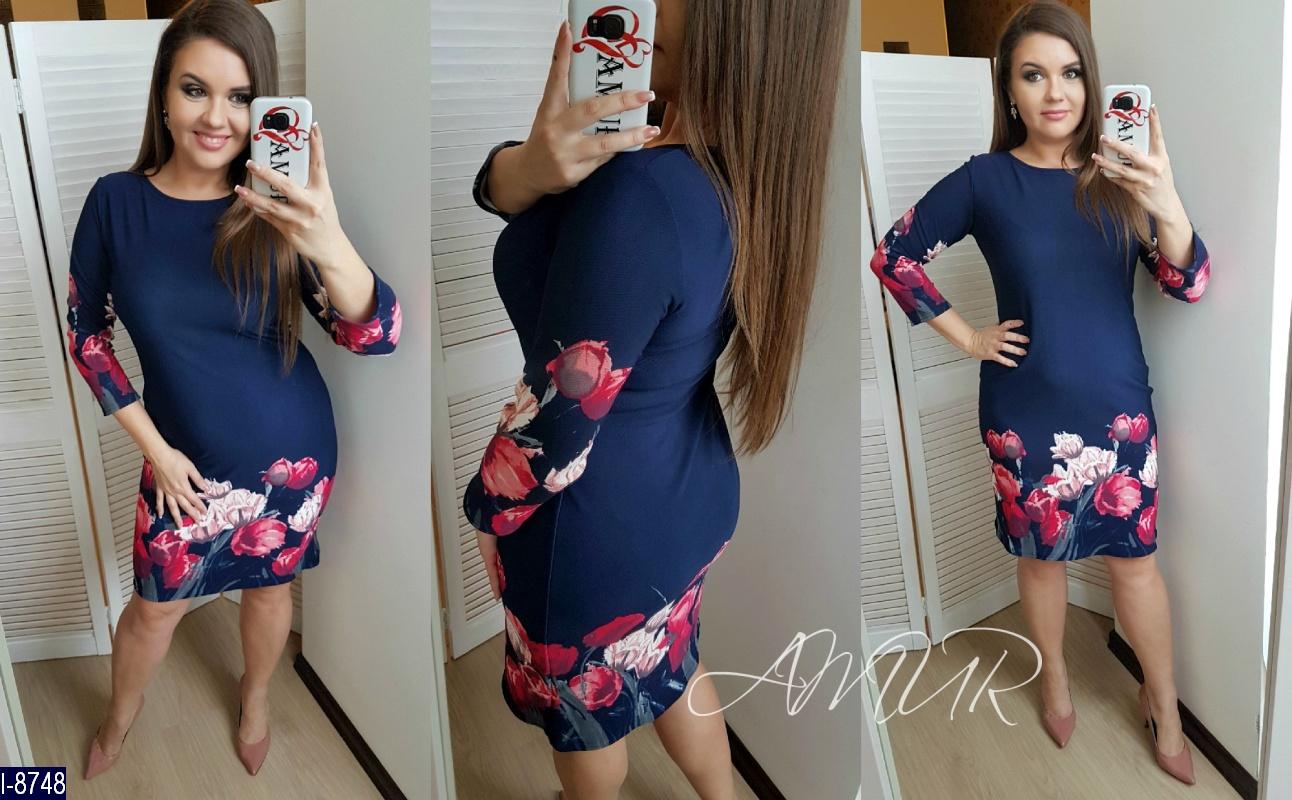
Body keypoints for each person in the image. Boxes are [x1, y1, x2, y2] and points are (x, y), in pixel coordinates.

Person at [461, 1, 847, 797]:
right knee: (667, 663)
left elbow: (557, 430)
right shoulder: (742, 170)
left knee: (588, 717)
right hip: (687, 492)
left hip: (589, 525)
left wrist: (486, 513)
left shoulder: (642, 193)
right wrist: (528, 167)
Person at [868, 0, 1209, 786]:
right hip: (1024, 414)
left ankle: (1163, 704)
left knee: (1136, 566)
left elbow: (1186, 282)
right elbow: (895, 255)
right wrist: (968, 337)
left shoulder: (1120, 177)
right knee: (1041, 558)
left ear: (1091, 84)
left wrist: (1165, 195)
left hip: (1118, 412)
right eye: (1033, 74)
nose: (1056, 92)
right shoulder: (985, 180)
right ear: (1010, 91)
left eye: (1071, 73)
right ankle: (1054, 676)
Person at [67, 0, 399, 780]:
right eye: (195, 89)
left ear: (263, 106)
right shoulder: (116, 203)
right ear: (163, 95)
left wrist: (327, 238)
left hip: (291, 457)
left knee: (270, 589)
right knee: (154, 609)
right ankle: (120, 718)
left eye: (241, 96)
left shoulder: (279, 208)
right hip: (179, 462)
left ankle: (255, 700)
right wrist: (155, 451)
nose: (217, 117)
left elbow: (373, 333)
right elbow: (86, 335)